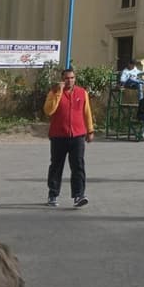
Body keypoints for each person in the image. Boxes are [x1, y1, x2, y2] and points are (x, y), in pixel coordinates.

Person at [43, 68, 95, 208]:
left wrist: (90, 130)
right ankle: (53, 194)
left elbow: (87, 112)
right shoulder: (54, 92)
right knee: (56, 166)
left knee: (78, 165)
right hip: (59, 135)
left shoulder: (82, 93)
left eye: (72, 78)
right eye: (66, 78)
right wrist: (58, 93)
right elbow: (49, 110)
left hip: (77, 135)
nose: (69, 80)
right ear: (62, 79)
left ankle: (79, 195)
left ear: (75, 78)